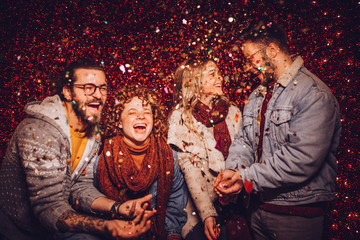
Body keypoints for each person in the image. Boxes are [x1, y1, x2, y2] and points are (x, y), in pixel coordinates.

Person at [214, 18, 341, 240]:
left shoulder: (313, 94)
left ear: (272, 50)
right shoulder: (256, 95)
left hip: (297, 215)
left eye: (251, 59)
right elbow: (244, 141)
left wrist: (246, 177)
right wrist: (233, 172)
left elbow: (301, 159)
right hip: (257, 211)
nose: (248, 67)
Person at [0, 59, 155, 240]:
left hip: (53, 227)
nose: (97, 95)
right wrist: (106, 226)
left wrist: (117, 208)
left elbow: (79, 186)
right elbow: (47, 206)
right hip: (16, 229)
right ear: (67, 91)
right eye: (88, 87)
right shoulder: (39, 132)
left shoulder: (92, 132)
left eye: (102, 88)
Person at [168, 58, 251, 240]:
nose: (220, 78)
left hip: (239, 208)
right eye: (212, 74)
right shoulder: (181, 117)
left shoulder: (234, 112)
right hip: (200, 213)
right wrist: (208, 213)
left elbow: (246, 153)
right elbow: (190, 169)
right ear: (195, 80)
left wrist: (236, 186)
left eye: (219, 73)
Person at [96, 85, 188, 240]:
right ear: (119, 122)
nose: (141, 117)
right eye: (132, 113)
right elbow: (93, 202)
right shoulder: (103, 159)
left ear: (153, 120)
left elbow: (175, 200)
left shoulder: (169, 156)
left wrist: (172, 233)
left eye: (147, 113)